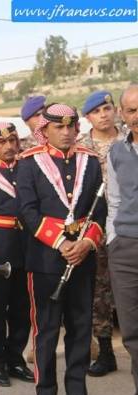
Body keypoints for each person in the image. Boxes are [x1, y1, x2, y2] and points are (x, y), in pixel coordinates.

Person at [17, 103, 106, 395]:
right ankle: (46, 394)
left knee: (80, 330)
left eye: (71, 126)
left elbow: (100, 211)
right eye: (59, 127)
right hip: (45, 261)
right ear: (45, 129)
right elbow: (27, 211)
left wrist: (86, 243)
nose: (66, 132)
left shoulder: (90, 161)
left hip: (83, 259)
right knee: (46, 332)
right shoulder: (29, 162)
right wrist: (62, 242)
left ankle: (77, 394)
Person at [0, 122, 34, 387]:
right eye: (2, 142)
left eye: (12, 140)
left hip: (27, 245)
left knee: (23, 308)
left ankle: (16, 359)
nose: (9, 146)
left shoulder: (27, 168)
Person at [78, 90, 125, 377]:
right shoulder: (82, 147)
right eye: (96, 111)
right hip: (96, 226)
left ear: (115, 110)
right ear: (88, 117)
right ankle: (106, 352)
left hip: (128, 224)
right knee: (99, 291)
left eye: (107, 108)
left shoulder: (130, 139)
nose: (103, 115)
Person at [107, 84, 138, 395]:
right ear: (122, 114)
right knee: (131, 331)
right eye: (131, 110)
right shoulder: (116, 152)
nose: (137, 116)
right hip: (125, 248)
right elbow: (114, 201)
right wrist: (112, 241)